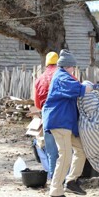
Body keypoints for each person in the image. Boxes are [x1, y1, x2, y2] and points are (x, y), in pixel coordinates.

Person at [43, 49, 93, 197]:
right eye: (72, 66)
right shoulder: (62, 77)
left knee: (80, 149)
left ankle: (71, 181)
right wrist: (92, 88)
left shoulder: (63, 76)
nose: (73, 69)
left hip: (65, 122)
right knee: (65, 154)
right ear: (67, 66)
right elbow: (78, 89)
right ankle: (56, 191)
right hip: (59, 121)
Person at [34, 51, 59, 179]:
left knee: (51, 151)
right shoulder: (62, 75)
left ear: (46, 64)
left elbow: (37, 104)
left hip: (47, 115)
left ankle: (54, 178)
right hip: (63, 114)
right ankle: (67, 178)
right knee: (66, 150)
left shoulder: (39, 79)